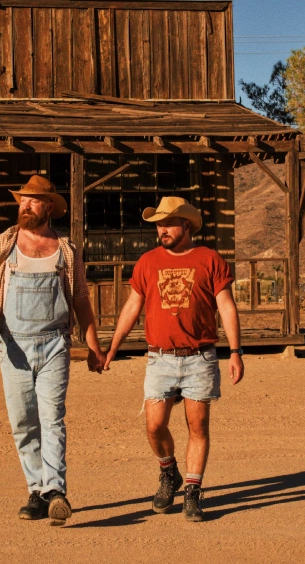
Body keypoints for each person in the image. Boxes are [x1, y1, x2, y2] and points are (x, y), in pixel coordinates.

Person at [0, 174, 106, 526]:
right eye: (22, 200)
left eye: (32, 200)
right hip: (12, 344)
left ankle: (55, 490)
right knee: (23, 421)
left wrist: (94, 347)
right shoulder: (4, 244)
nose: (25, 205)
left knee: (52, 417)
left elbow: (80, 301)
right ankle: (36, 490)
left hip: (55, 345)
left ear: (49, 206)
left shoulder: (67, 249)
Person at [102, 196, 244, 522]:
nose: (161, 229)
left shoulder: (209, 259)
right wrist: (113, 347)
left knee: (198, 426)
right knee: (154, 425)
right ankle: (169, 473)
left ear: (186, 225)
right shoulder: (148, 262)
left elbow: (226, 307)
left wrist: (235, 351)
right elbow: (132, 307)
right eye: (158, 224)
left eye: (167, 223)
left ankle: (193, 492)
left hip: (200, 357)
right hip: (160, 358)